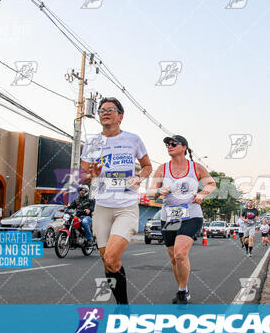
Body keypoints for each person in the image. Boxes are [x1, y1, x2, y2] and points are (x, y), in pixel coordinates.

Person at [80, 97, 152, 305]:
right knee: (108, 262)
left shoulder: (133, 139)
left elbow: (147, 166)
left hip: (126, 207)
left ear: (120, 116)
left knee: (111, 258)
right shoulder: (92, 142)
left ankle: (123, 307)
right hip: (102, 207)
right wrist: (91, 173)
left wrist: (139, 177)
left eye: (110, 109)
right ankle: (122, 303)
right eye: (102, 110)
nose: (105, 112)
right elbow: (82, 176)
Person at [148, 135, 215, 304]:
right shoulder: (162, 169)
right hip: (169, 217)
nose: (169, 146)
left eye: (173, 143)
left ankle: (182, 292)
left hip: (191, 215)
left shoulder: (196, 167)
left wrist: (201, 194)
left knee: (180, 253)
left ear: (184, 147)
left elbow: (211, 184)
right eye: (167, 144)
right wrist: (158, 192)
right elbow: (150, 193)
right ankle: (182, 289)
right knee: (173, 257)